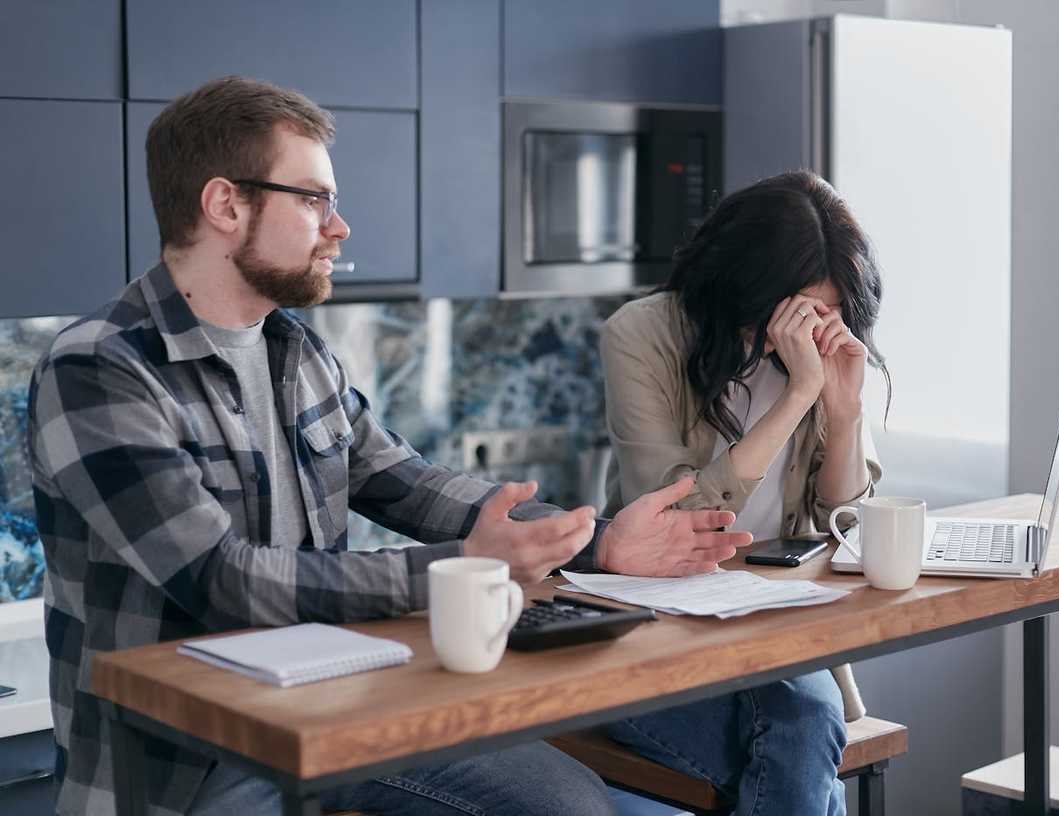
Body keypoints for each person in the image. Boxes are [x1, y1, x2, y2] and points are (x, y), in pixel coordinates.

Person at [26, 76, 753, 816]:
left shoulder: (296, 353)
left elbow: (409, 483)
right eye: (313, 200)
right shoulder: (98, 368)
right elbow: (221, 580)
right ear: (225, 205)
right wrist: (464, 570)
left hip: (329, 708)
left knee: (568, 798)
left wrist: (595, 544)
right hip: (187, 766)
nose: (338, 227)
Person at [598, 170, 889, 815]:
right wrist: (795, 399)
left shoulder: (828, 351)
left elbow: (842, 523)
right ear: (741, 287)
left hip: (777, 626)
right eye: (793, 312)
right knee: (804, 737)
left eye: (830, 314)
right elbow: (669, 520)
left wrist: (843, 414)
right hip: (662, 623)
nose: (810, 331)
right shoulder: (641, 335)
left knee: (801, 725)